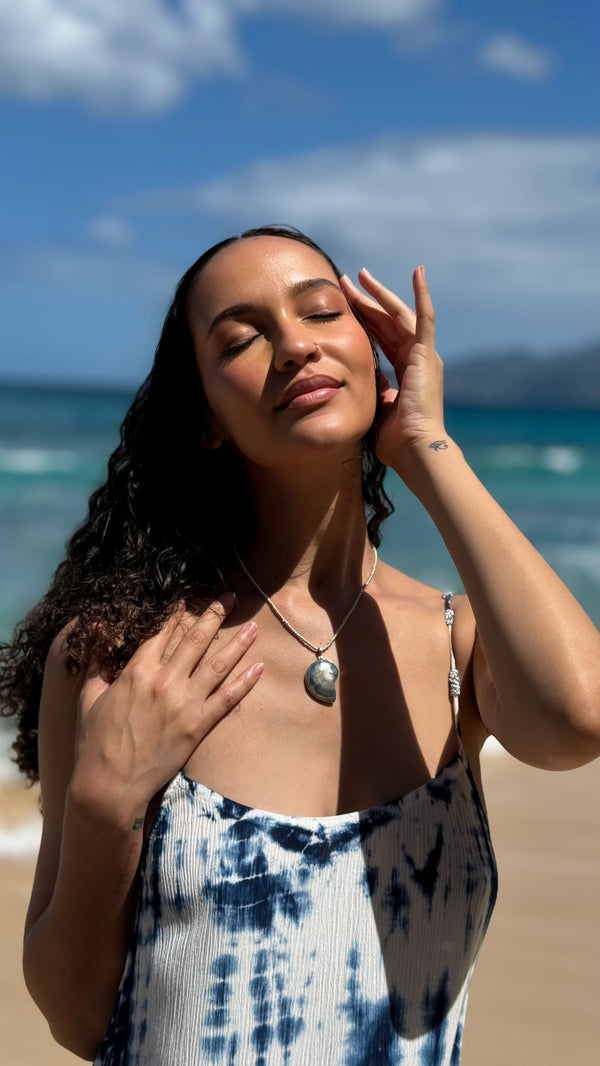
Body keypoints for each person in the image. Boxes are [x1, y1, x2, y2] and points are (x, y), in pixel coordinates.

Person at [2, 225, 600, 1065]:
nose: (293, 346)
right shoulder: (126, 655)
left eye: (321, 312)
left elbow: (578, 719)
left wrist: (426, 447)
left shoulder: (456, 643)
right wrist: (105, 803)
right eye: (240, 339)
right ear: (207, 418)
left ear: (372, 354)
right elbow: (74, 1017)